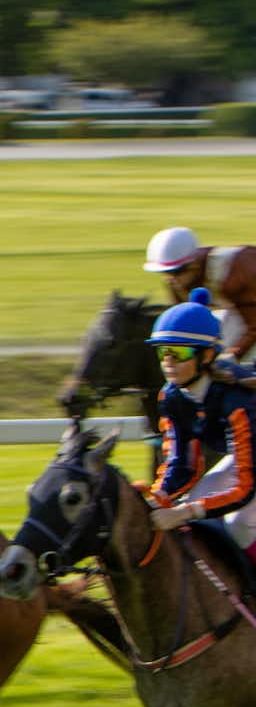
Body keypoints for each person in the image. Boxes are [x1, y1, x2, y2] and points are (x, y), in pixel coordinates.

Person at [143, 288, 256, 551]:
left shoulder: (237, 401)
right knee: (196, 499)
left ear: (205, 356)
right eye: (163, 352)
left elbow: (245, 487)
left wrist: (185, 512)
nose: (168, 362)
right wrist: (157, 498)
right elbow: (181, 464)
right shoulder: (171, 397)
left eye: (179, 353)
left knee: (239, 523)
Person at [144, 226, 256, 360]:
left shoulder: (233, 275)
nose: (172, 280)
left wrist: (233, 356)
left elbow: (253, 326)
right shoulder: (175, 282)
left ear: (194, 264)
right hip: (238, 309)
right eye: (165, 273)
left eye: (177, 272)